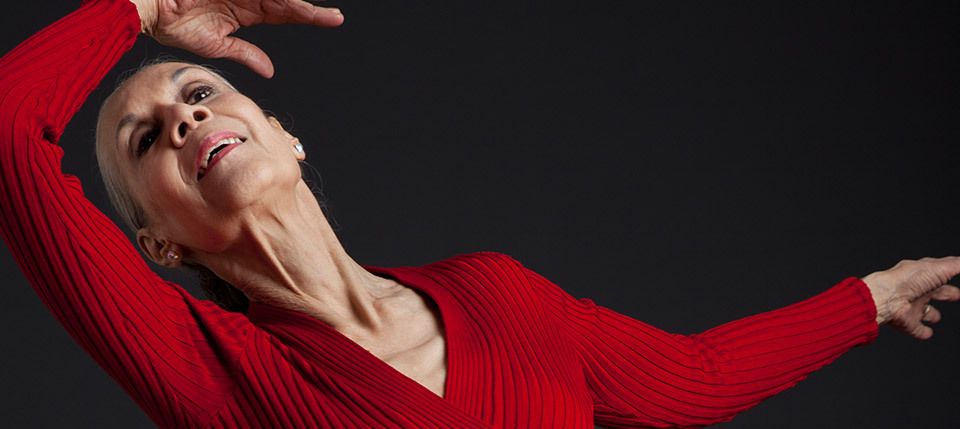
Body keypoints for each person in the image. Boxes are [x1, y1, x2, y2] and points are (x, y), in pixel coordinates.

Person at [0, 0, 956, 427]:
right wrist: (146, 4)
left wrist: (870, 299)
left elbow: (693, 377)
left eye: (200, 91)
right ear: (158, 241)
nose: (184, 119)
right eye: (145, 139)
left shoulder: (497, 293)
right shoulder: (211, 372)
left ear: (283, 134)